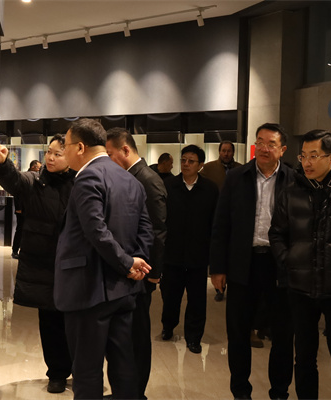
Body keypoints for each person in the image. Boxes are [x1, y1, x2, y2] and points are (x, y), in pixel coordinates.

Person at [54, 118, 153, 400]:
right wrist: (136, 262)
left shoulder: (88, 177)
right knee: (123, 363)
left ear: (80, 147)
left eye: (66, 146)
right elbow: (146, 229)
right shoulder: (130, 179)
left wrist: (128, 263)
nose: (64, 152)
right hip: (123, 289)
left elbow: (96, 232)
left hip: (89, 291)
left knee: (87, 370)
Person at [269, 130, 331, 399]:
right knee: (304, 357)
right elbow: (276, 234)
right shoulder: (290, 194)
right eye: (303, 156)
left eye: (314, 156)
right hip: (300, 288)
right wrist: (288, 259)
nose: (307, 162)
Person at [210, 122, 295, 400]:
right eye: (260, 142)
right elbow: (221, 224)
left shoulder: (294, 180)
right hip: (242, 263)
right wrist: (217, 268)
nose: (264, 148)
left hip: (279, 264)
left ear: (282, 149)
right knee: (238, 331)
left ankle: (279, 391)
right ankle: (240, 391)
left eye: (271, 144)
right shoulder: (237, 177)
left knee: (282, 334)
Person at [0, 135, 75, 394]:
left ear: (71, 156)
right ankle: (57, 373)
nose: (50, 157)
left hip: (74, 266)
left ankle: (80, 369)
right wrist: (3, 163)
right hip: (43, 266)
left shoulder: (82, 183)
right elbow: (15, 180)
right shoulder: (35, 181)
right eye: (48, 152)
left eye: (57, 154)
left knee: (75, 322)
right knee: (50, 322)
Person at [105, 127, 167, 399]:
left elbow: (158, 230)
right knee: (125, 335)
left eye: (110, 154)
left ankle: (136, 393)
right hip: (129, 268)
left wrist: (153, 272)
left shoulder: (147, 180)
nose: (108, 160)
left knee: (138, 335)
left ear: (125, 149)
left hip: (142, 272)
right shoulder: (127, 177)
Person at [160, 145, 219, 354]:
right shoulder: (169, 186)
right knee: (170, 295)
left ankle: (194, 337)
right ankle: (168, 326)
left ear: (200, 165)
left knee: (197, 300)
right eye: (183, 160)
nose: (186, 164)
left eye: (191, 161)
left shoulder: (210, 189)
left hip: (198, 254)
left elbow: (214, 223)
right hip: (172, 253)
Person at [200, 140, 242, 302]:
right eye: (223, 150)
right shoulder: (209, 168)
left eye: (229, 151)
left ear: (233, 152)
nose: (226, 154)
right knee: (219, 251)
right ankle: (220, 288)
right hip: (216, 214)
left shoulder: (240, 169)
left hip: (236, 216)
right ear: (219, 152)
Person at [11, 160, 41, 259]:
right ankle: (15, 250)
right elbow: (17, 193)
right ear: (33, 167)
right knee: (20, 229)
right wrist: (18, 208)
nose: (39, 170)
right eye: (38, 168)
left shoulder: (37, 178)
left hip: (31, 208)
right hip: (22, 209)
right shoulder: (24, 177)